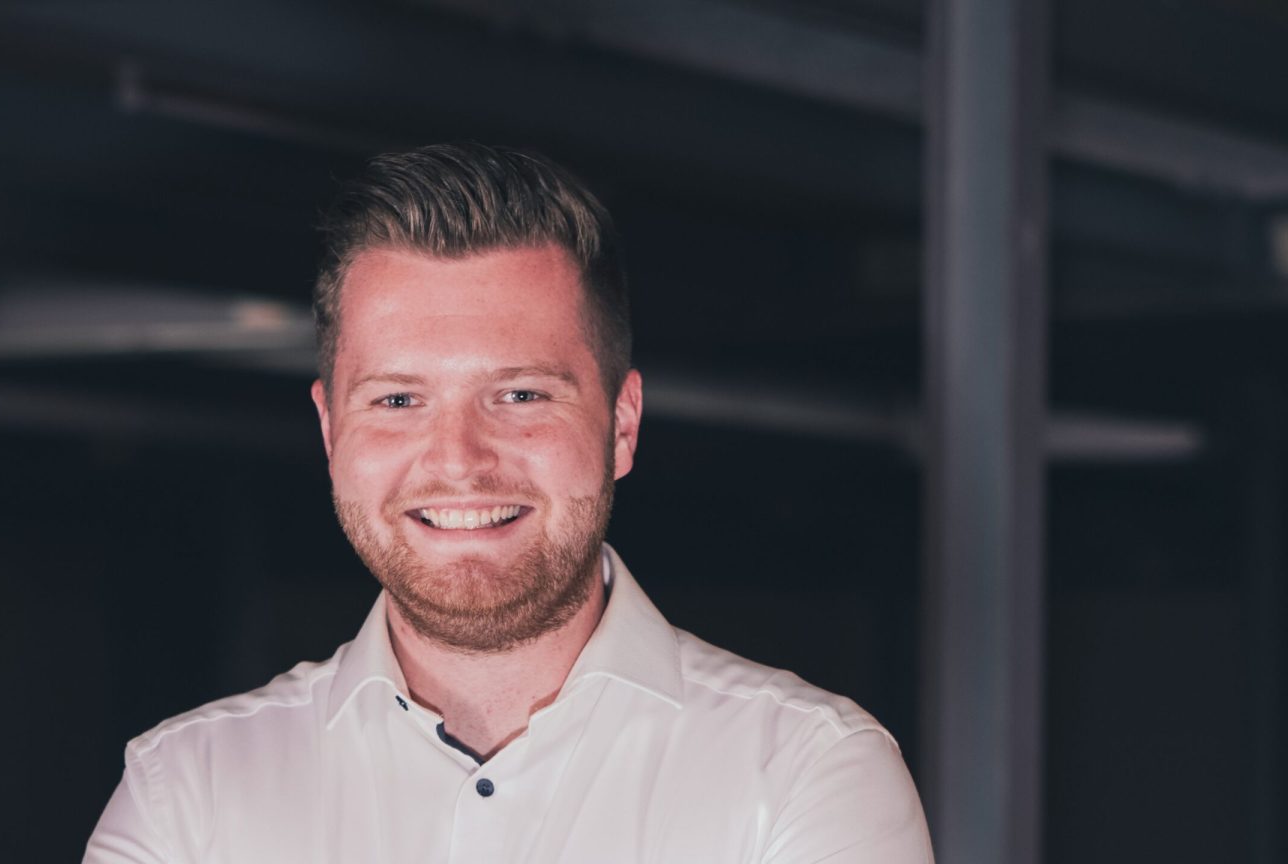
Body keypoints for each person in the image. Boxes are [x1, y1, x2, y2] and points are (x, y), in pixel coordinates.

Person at [83, 142, 933, 863]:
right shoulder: (186, 794)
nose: (459, 460)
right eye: (397, 400)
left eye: (521, 395)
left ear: (622, 425)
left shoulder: (805, 773)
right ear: (330, 432)